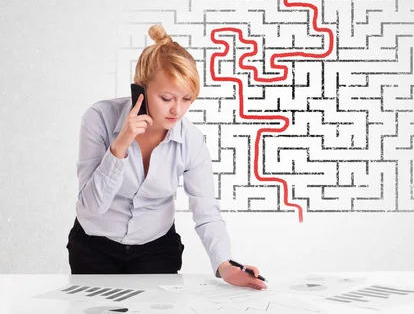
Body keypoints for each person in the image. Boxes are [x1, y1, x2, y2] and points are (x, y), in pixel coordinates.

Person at [66, 24, 266, 290]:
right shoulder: (99, 118)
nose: (177, 110)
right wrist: (121, 145)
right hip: (93, 248)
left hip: (156, 251)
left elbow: (206, 210)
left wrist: (224, 264)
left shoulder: (191, 140)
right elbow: (92, 206)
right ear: (140, 89)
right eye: (166, 97)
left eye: (187, 99)